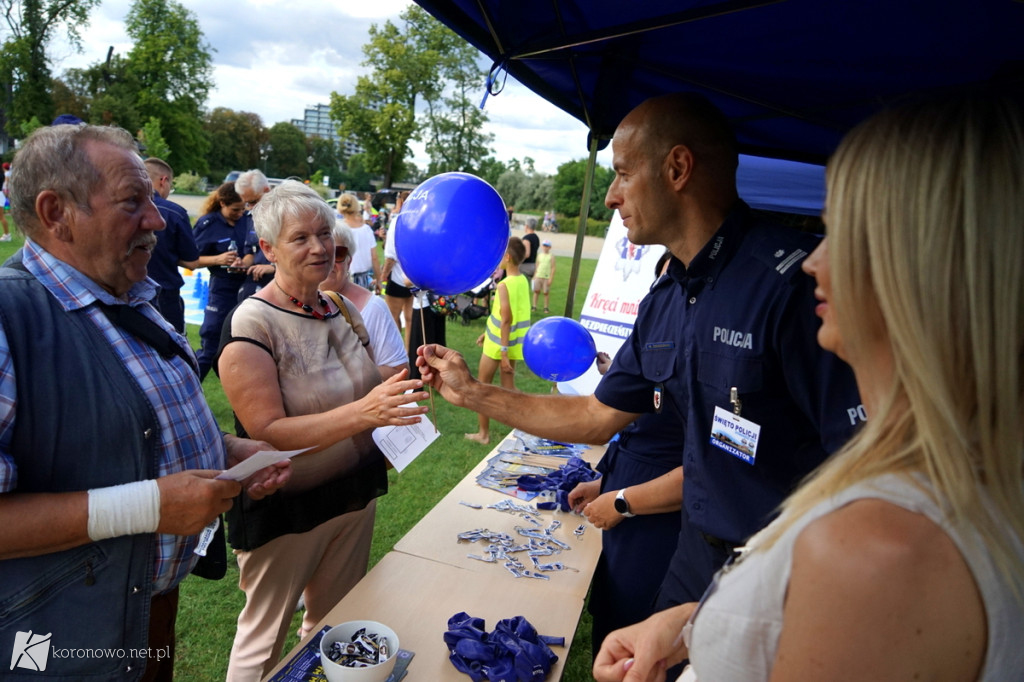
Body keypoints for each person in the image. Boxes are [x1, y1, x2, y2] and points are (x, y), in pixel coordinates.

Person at [594, 94, 1024, 682]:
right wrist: (693, 626)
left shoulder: (871, 543)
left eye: (842, 231)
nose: (812, 261)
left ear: (922, 268)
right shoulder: (965, 478)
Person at [417, 91, 862, 652]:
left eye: (623, 173)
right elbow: (597, 413)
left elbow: (861, 465)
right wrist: (475, 393)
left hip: (776, 577)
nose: (610, 197)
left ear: (677, 168)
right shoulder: (667, 296)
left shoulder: (796, 285)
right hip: (691, 558)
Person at [0, 123, 289, 681]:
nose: (158, 220)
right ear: (56, 211)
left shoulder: (126, 293)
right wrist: (149, 507)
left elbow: (134, 429)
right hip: (61, 629)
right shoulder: (11, 317)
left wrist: (226, 450)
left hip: (142, 603)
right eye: (134, 202)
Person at [215, 180, 428, 681]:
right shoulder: (253, 322)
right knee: (262, 642)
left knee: (336, 626)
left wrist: (412, 375)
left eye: (323, 233)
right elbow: (267, 429)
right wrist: (365, 413)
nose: (319, 247)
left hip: (352, 495)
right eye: (300, 238)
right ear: (267, 248)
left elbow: (364, 384)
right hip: (288, 503)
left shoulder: (343, 307)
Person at [465, 237, 530, 445]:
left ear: (508, 257)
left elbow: (507, 318)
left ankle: (483, 435)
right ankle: (529, 424)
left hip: (498, 347)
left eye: (502, 253)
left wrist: (502, 352)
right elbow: (503, 317)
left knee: (481, 388)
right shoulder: (522, 280)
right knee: (509, 388)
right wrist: (487, 333)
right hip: (511, 343)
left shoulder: (503, 286)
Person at [322, 221, 407, 378]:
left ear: (349, 261)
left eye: (338, 254)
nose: (329, 262)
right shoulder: (289, 305)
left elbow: (398, 370)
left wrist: (342, 383)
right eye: (322, 253)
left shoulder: (373, 308)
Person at [193, 182, 247, 379]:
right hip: (222, 288)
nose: (240, 213)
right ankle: (189, 391)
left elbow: (255, 250)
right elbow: (190, 260)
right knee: (211, 343)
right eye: (235, 209)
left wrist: (245, 261)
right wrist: (218, 259)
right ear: (222, 203)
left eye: (244, 208)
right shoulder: (208, 224)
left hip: (247, 286)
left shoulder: (247, 221)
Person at [143, 157, 200, 333]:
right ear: (163, 180)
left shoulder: (120, 207)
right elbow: (192, 262)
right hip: (164, 296)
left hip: (125, 292)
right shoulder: (174, 212)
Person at [235, 170, 276, 301]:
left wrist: (273, 267)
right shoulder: (251, 217)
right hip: (255, 282)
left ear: (267, 190)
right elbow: (251, 252)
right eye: (247, 203)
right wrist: (242, 264)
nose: (251, 207)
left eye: (253, 201)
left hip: (280, 283)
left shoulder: (287, 215)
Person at [382, 190, 413, 349]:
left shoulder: (398, 221)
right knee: (410, 321)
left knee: (393, 319)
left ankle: (397, 353)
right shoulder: (421, 221)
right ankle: (409, 353)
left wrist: (382, 278)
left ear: (401, 202)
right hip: (417, 278)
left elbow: (390, 257)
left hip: (398, 278)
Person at [337, 193, 380, 292]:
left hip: (343, 278)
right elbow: (374, 257)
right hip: (363, 278)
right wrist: (378, 279)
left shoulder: (338, 229)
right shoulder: (366, 229)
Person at [531, 239, 556, 313]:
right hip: (538, 275)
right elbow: (537, 265)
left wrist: (551, 278)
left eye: (547, 246)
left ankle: (546, 307)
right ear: (542, 247)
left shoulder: (551, 256)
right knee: (536, 291)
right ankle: (534, 305)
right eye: (544, 246)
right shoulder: (540, 255)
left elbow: (553, 267)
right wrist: (534, 275)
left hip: (546, 277)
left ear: (550, 247)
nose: (545, 248)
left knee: (546, 292)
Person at [520, 216, 540, 282]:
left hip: (526, 266)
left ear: (527, 226)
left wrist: (517, 262)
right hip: (533, 264)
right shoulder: (536, 237)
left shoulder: (527, 238)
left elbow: (526, 254)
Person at [0, 162, 11, 242]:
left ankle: (7, 235)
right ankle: (7, 234)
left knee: (1, 217)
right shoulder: (2, 174)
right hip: (1, 194)